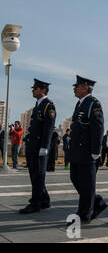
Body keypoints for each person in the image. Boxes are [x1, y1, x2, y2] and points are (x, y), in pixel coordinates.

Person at [67, 75, 107, 225]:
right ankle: (97, 202)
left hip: (87, 151)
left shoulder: (93, 103)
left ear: (85, 87)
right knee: (76, 180)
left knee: (87, 184)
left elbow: (98, 128)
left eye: (76, 86)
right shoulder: (80, 104)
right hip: (76, 151)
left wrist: (96, 151)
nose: (74, 88)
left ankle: (84, 214)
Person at [19, 79, 56, 214]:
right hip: (33, 145)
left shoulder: (48, 106)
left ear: (42, 90)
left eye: (35, 88)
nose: (33, 90)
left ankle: (35, 204)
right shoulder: (38, 105)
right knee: (35, 174)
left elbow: (49, 128)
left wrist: (45, 147)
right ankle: (44, 200)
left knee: (38, 176)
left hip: (40, 146)